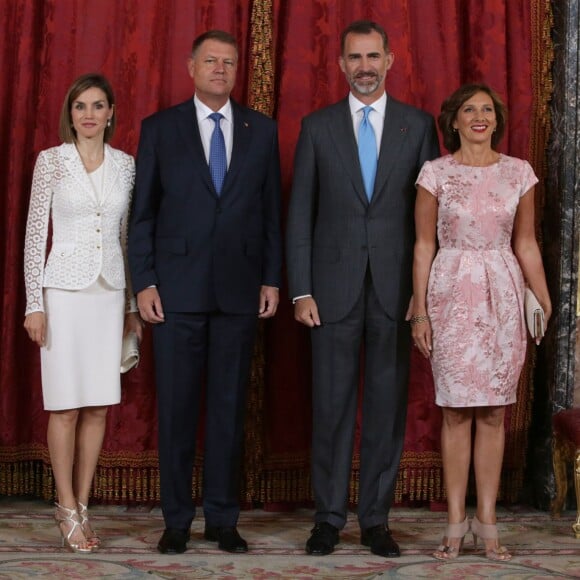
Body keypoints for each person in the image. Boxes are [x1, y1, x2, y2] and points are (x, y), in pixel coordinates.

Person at [285, 20, 440, 558]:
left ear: (391, 60)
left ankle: (375, 519)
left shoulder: (418, 127)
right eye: (355, 57)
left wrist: (424, 296)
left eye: (374, 56)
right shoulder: (316, 126)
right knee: (329, 408)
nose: (365, 66)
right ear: (341, 65)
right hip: (329, 292)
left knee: (386, 409)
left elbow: (430, 221)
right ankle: (327, 519)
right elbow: (300, 214)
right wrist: (300, 289)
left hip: (397, 293)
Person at [128, 30, 282, 555]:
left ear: (238, 71)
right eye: (211, 61)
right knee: (175, 410)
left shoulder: (260, 130)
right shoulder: (160, 129)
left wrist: (272, 277)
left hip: (240, 292)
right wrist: (144, 282)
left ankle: (222, 518)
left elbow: (270, 215)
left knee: (228, 409)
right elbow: (142, 214)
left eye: (229, 62)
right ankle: (176, 520)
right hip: (175, 293)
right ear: (191, 66)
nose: (220, 69)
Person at [411, 83, 552, 561]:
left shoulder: (519, 173)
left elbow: (526, 242)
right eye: (469, 110)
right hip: (450, 292)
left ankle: (487, 522)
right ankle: (455, 523)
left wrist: (542, 294)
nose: (478, 116)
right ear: (452, 120)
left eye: (487, 110)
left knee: (493, 410)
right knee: (454, 410)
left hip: (502, 296)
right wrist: (421, 309)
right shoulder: (435, 173)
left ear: (497, 119)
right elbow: (424, 246)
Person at [23, 73, 142, 553]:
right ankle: (65, 505)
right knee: (65, 406)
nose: (89, 115)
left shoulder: (126, 166)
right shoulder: (50, 162)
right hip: (63, 295)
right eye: (80, 107)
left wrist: (132, 306)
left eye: (97, 106)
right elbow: (36, 236)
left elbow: (127, 240)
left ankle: (84, 505)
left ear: (111, 112)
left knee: (97, 405)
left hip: (108, 294)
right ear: (69, 114)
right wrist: (34, 303)